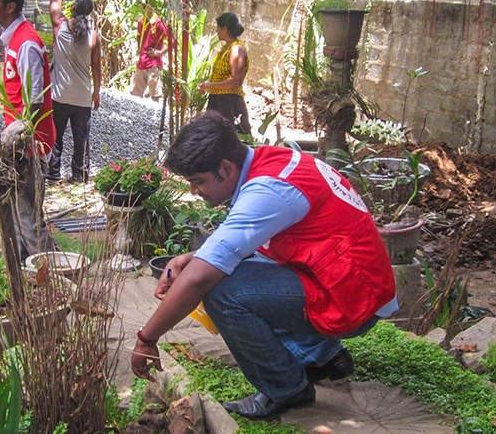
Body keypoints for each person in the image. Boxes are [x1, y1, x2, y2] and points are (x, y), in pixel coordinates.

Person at [130, 112, 398, 420]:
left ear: (226, 169)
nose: (195, 191)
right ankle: (322, 357)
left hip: (353, 299)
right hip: (347, 279)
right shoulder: (269, 163)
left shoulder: (269, 191)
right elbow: (241, 242)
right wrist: (190, 259)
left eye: (198, 181)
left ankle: (286, 388)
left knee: (221, 290)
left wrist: (146, 338)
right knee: (228, 268)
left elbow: (199, 280)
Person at [0, 0, 57, 261]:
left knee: (29, 221)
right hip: (19, 145)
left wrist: (20, 148)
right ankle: (29, 279)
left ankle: (49, 281)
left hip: (28, 147)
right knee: (18, 218)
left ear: (9, 7)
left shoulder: (26, 44)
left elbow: (34, 103)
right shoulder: (12, 40)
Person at [45, 0, 102, 183]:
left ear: (74, 7)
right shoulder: (93, 36)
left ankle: (53, 173)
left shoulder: (60, 26)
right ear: (89, 13)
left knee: (56, 136)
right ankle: (80, 175)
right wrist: (96, 93)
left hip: (59, 95)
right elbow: (96, 68)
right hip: (81, 97)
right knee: (81, 139)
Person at [198, 13, 251, 135]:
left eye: (218, 27)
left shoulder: (236, 50)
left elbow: (235, 81)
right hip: (218, 101)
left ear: (225, 29)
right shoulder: (226, 48)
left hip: (229, 102)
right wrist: (208, 86)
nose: (216, 31)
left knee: (233, 139)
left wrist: (210, 85)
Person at [130, 4, 169, 103]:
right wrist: (140, 51)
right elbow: (139, 37)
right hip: (142, 62)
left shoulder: (159, 23)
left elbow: (172, 41)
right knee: (135, 94)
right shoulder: (141, 21)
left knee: (155, 95)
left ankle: (155, 116)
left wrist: (159, 52)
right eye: (144, 6)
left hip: (153, 64)